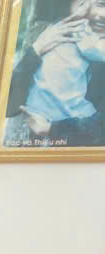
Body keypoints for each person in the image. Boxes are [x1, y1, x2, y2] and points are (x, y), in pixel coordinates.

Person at [6, 1, 105, 146]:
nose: (103, 15)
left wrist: (51, 129)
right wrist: (36, 50)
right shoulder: (54, 33)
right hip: (37, 126)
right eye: (100, 4)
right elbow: (8, 105)